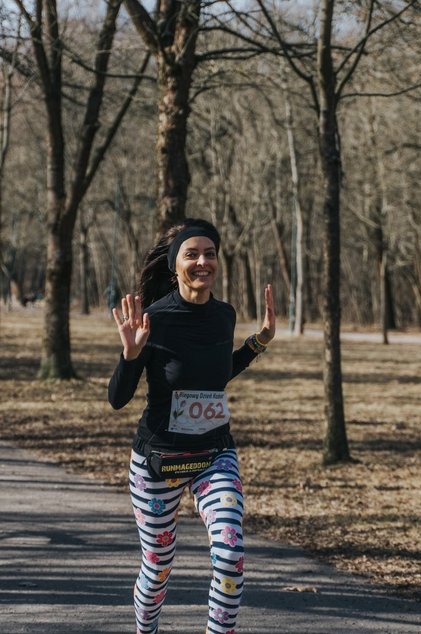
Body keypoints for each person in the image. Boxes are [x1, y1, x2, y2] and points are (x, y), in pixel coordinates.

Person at [107, 218, 275, 634]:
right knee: (159, 566)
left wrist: (258, 343)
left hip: (213, 454)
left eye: (210, 253)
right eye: (192, 254)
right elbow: (117, 399)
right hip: (157, 460)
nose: (203, 261)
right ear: (174, 265)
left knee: (231, 553)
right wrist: (130, 356)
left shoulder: (224, 315)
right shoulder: (154, 319)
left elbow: (214, 375)